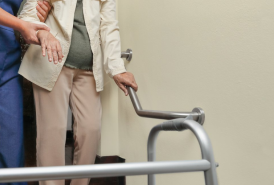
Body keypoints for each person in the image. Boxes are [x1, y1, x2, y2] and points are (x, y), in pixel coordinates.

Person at [18, 0, 138, 185]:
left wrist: (117, 69)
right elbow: (27, 14)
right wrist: (41, 32)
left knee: (91, 130)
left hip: (89, 70)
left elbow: (109, 26)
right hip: (51, 61)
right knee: (52, 134)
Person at [0, 1, 52, 185]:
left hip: (7, 60)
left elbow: (29, 8)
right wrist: (22, 25)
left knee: (12, 147)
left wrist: (37, 15)